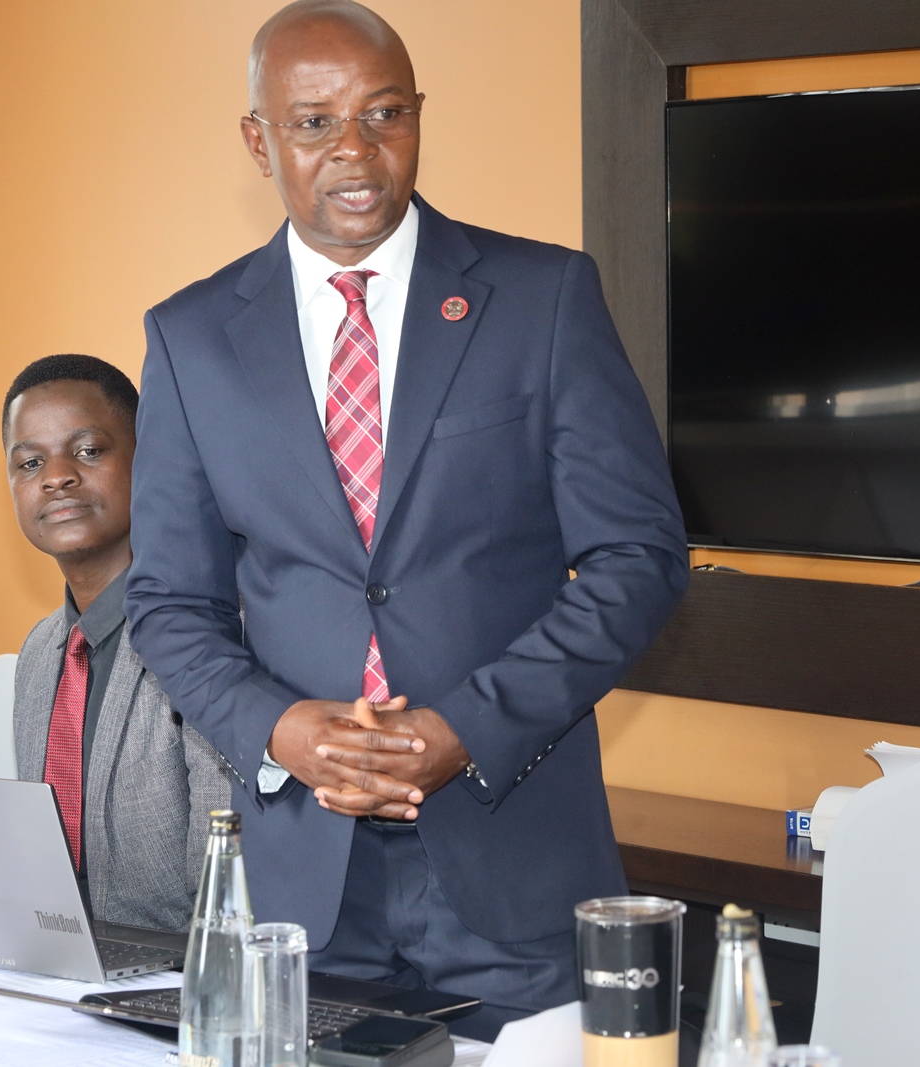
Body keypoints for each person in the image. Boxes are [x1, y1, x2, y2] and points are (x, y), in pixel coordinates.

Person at [123, 0, 689, 1039]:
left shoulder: (541, 296)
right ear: (259, 141)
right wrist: (283, 731)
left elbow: (635, 556)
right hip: (305, 880)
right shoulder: (191, 337)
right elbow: (168, 600)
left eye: (384, 114)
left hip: (511, 849)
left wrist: (463, 725)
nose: (355, 150)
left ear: (418, 118)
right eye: (313, 123)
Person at [3, 354, 228, 931]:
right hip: (63, 963)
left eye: (88, 451)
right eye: (29, 462)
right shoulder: (39, 652)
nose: (56, 476)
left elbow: (224, 880)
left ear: (147, 456)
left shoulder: (214, 635)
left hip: (182, 977)